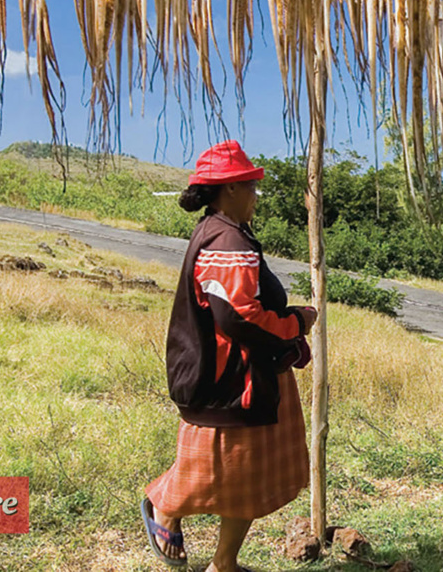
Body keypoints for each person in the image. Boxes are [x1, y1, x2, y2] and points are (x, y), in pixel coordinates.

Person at [141, 140, 318, 571]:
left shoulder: (221, 230)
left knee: (247, 477)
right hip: (231, 381)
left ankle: (224, 564)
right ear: (231, 189)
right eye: (252, 187)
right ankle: (163, 506)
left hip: (250, 376)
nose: (256, 195)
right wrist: (296, 324)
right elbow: (238, 317)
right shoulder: (226, 239)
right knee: (218, 470)